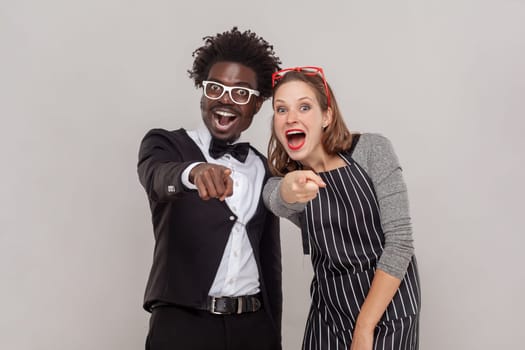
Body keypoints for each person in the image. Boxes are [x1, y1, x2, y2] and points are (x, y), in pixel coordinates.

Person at [137, 27, 282, 350]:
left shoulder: (265, 166)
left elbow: (270, 260)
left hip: (254, 327)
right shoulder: (166, 144)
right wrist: (194, 172)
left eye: (241, 93)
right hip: (182, 326)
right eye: (215, 88)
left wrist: (273, 333)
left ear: (257, 104)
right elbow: (158, 176)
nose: (225, 100)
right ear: (202, 92)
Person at [263, 67, 421, 350]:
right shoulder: (286, 179)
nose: (291, 118)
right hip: (329, 311)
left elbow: (400, 243)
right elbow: (274, 198)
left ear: (327, 116)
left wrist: (364, 327)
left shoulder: (371, 150)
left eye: (304, 106)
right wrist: (289, 189)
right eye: (281, 109)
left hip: (387, 310)